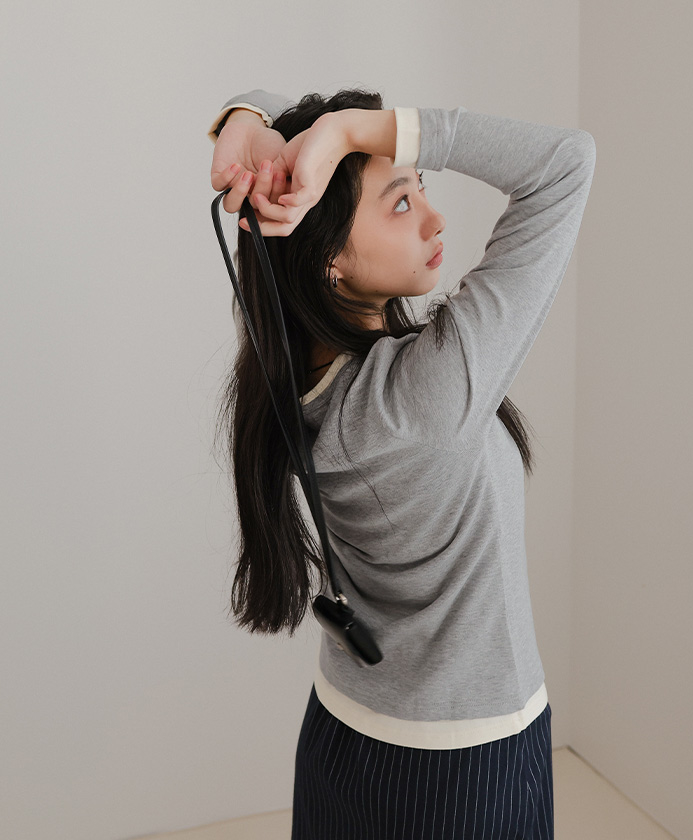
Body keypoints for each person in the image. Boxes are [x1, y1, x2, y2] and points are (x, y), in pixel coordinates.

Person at [208, 87, 596, 839]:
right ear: (330, 260)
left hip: (343, 727)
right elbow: (564, 164)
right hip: (465, 766)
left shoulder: (296, 379)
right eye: (400, 203)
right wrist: (351, 128)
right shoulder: (424, 398)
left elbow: (287, 121)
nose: (434, 219)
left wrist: (245, 120)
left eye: (422, 188)